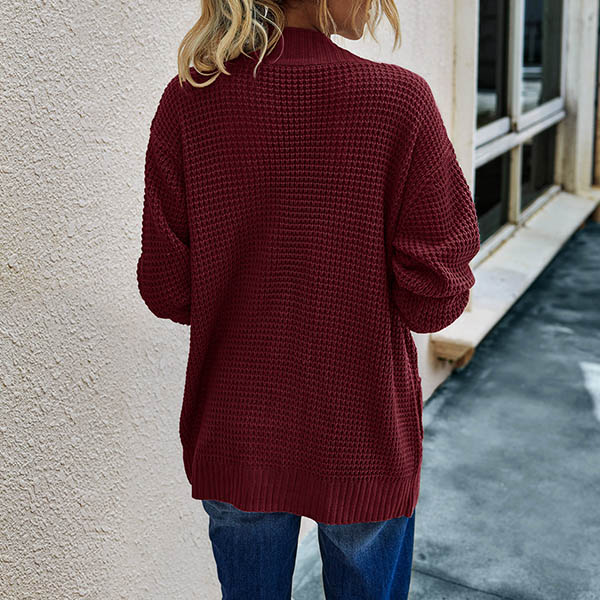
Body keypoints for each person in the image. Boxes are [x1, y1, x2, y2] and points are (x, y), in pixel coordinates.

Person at [136, 0, 481, 597]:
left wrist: (247, 287)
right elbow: (435, 300)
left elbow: (168, 289)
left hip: (237, 431)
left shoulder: (188, 102)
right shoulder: (399, 102)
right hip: (363, 436)